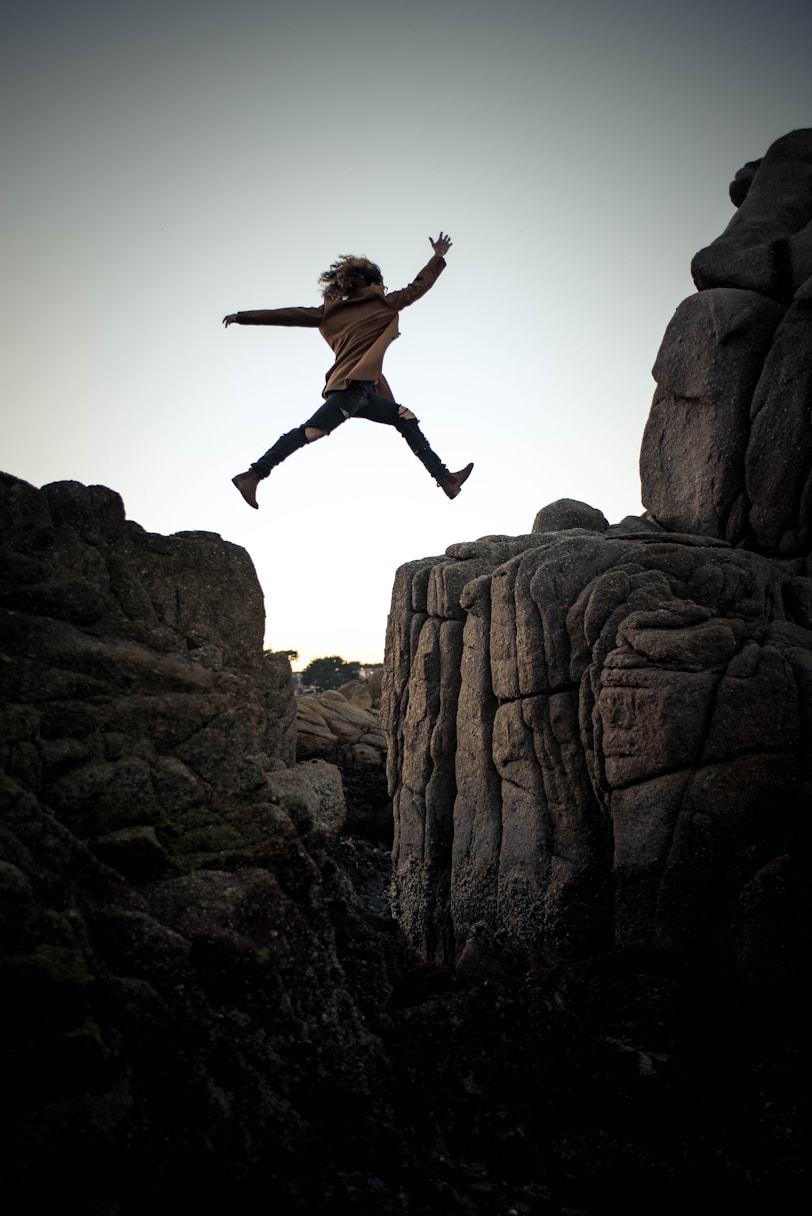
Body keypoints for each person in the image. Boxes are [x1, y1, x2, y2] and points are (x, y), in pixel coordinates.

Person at [224, 232, 473, 509]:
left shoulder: (329, 312)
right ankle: (253, 475)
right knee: (312, 431)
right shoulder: (383, 303)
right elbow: (418, 287)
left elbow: (288, 313)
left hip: (365, 390)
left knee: (405, 417)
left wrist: (244, 317)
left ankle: (445, 479)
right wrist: (437, 257)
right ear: (372, 282)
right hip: (350, 388)